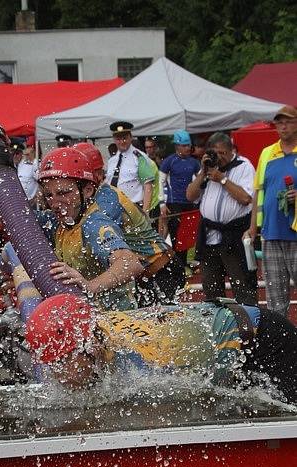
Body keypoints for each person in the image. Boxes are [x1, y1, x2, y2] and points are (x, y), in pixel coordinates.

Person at [25, 293, 297, 406]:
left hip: (265, 340)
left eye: (62, 363)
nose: (58, 376)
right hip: (236, 338)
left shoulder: (137, 360)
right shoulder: (94, 328)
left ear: (91, 347)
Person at [74, 142, 185, 305]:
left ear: (96, 175)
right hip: (150, 271)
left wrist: (90, 285)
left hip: (161, 271)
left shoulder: (106, 200)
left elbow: (106, 245)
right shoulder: (100, 196)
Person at [37, 146, 144, 311]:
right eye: (49, 195)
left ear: (87, 191)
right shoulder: (57, 220)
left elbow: (130, 263)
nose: (55, 203)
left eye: (64, 193)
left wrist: (90, 286)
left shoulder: (93, 224)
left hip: (117, 321)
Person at [187, 132, 257, 305]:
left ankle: (250, 325)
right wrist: (203, 173)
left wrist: (222, 179)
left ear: (231, 150)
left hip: (234, 235)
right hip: (209, 238)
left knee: (242, 286)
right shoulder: (208, 168)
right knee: (211, 288)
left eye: (222, 153)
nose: (219, 157)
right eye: (215, 153)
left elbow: (246, 198)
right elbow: (190, 195)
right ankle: (217, 324)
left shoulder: (244, 166)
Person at [244, 105, 297, 317]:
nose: (283, 126)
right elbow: (258, 193)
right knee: (275, 300)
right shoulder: (267, 153)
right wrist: (253, 228)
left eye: (288, 121)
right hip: (271, 235)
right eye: (279, 122)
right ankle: (282, 345)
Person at [158, 130, 201, 260]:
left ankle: (186, 262)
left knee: (188, 235)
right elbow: (160, 182)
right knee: (176, 234)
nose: (188, 148)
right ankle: (178, 263)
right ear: (177, 146)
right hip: (174, 203)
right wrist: (162, 204)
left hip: (190, 203)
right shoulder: (169, 161)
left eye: (189, 145)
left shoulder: (194, 162)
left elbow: (200, 181)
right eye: (185, 145)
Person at [106, 121, 157, 214]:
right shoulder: (112, 161)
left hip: (133, 208)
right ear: (114, 139)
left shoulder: (138, 157)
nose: (122, 141)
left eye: (125, 138)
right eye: (118, 139)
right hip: (114, 209)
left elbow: (148, 186)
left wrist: (146, 213)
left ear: (131, 137)